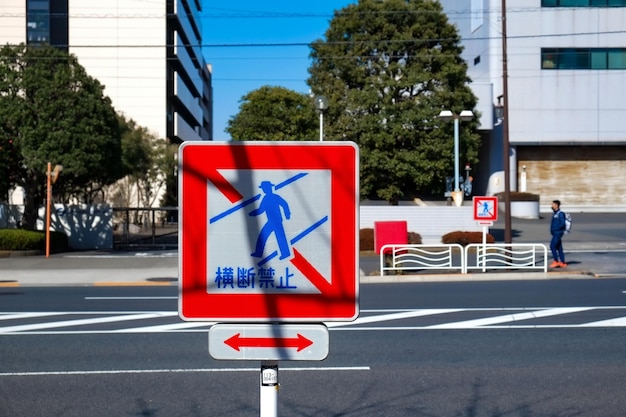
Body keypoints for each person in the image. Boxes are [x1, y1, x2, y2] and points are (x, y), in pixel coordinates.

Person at [549, 199, 567, 268]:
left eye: (553, 204)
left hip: (558, 233)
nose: (552, 206)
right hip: (555, 233)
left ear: (556, 205)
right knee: (559, 248)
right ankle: (563, 262)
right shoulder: (555, 213)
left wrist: (556, 229)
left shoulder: (560, 213)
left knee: (552, 246)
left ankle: (556, 261)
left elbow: (563, 224)